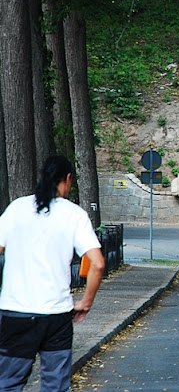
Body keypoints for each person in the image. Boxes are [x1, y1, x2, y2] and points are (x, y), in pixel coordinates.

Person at [0, 155, 105, 391]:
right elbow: (97, 263)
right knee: (55, 385)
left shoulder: (17, 208)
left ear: (41, 177)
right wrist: (86, 302)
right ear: (68, 179)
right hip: (57, 315)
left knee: (8, 383)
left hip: (16, 313)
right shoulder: (74, 215)